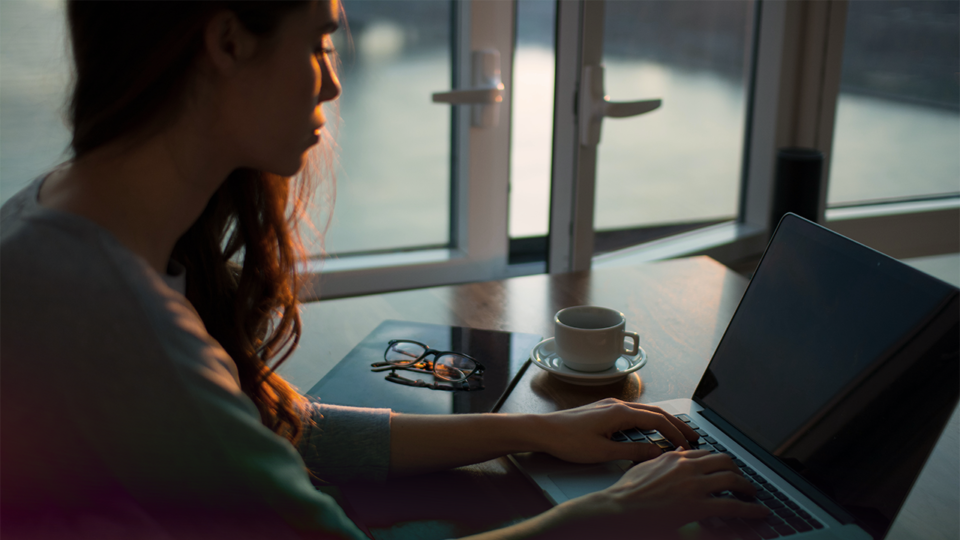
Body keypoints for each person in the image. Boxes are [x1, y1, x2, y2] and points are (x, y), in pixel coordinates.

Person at [0, 0, 768, 538]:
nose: (332, 81)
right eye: (319, 41)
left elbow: (272, 435)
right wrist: (610, 517)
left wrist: (538, 429)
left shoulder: (50, 218)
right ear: (228, 41)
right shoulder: (124, 326)